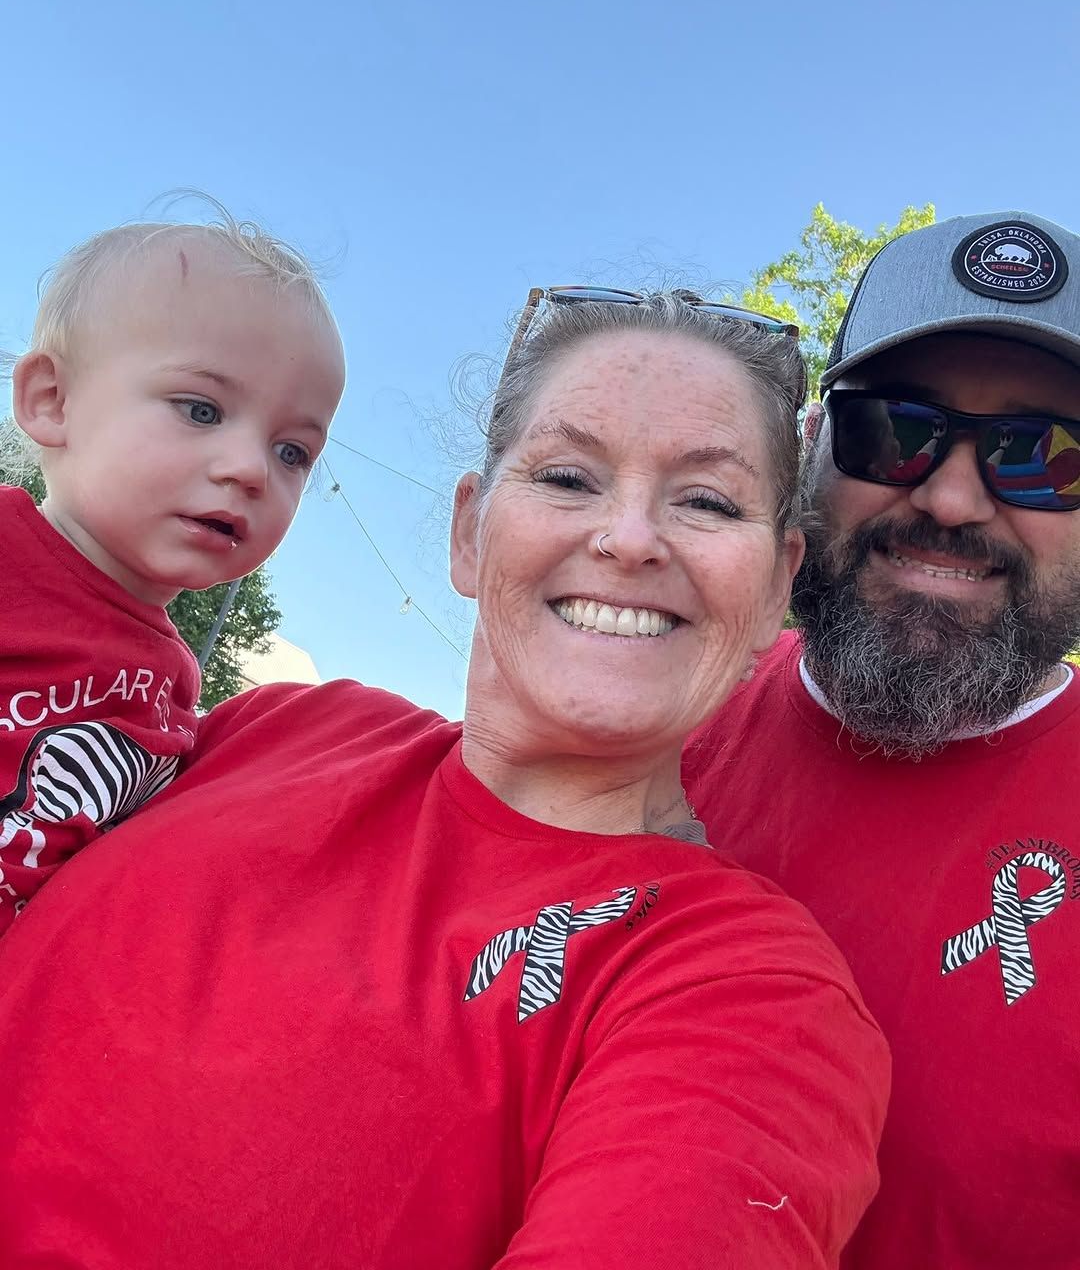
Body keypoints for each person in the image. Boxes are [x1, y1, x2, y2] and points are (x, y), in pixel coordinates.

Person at [0, 288, 889, 1268]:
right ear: (470, 533)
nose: (630, 538)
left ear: (774, 588)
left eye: (708, 501)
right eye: (568, 477)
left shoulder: (748, 993)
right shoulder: (273, 728)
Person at [685, 213, 1080, 1269]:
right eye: (893, 431)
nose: (950, 498)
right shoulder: (653, 722)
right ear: (812, 448)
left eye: (1043, 457)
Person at [0, 210, 346, 928]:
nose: (250, 469)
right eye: (201, 410)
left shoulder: (172, 682)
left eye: (292, 452)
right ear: (52, 401)